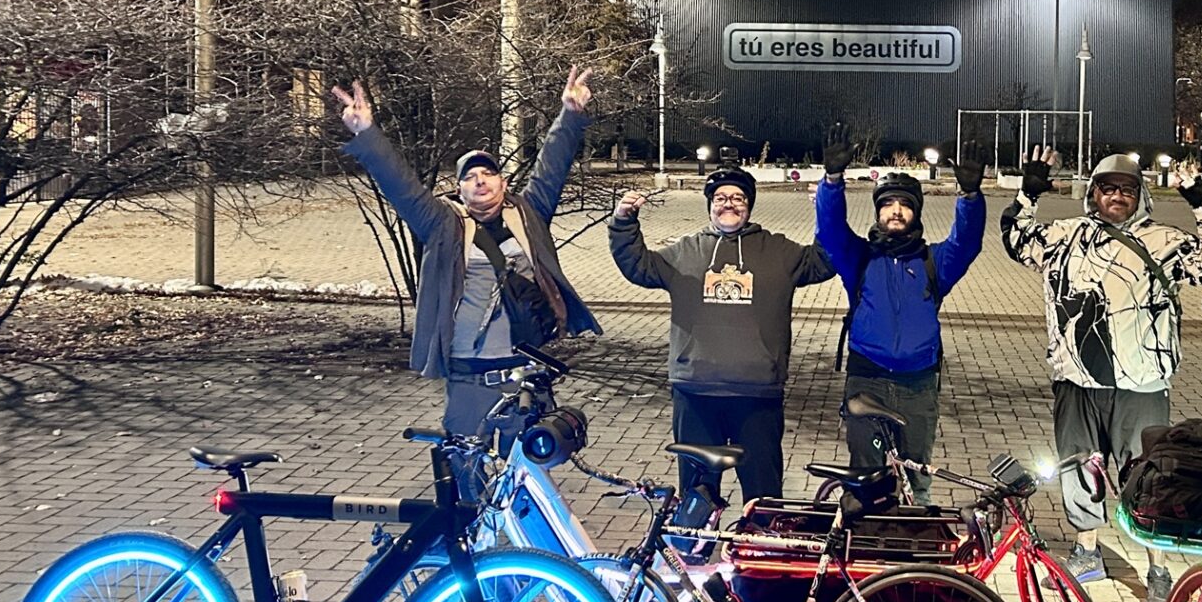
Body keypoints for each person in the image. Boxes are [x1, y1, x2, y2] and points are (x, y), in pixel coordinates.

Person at [330, 67, 603, 493]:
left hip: (524, 370)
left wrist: (569, 115)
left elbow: (552, 168)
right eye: (470, 178)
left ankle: (523, 552)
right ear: (459, 191)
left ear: (503, 182)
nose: (480, 182)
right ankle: (472, 551)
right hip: (469, 373)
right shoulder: (444, 226)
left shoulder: (528, 216)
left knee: (528, 475)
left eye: (487, 174)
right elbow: (401, 188)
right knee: (466, 472)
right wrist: (367, 134)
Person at [1002, 146, 1202, 602]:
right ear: (1092, 194)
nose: (1117, 197)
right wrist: (1029, 191)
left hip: (1143, 383)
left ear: (1141, 196)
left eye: (1127, 190)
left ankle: (1157, 568)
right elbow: (1015, 240)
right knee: (1078, 469)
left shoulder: (1165, 241)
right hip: (1076, 379)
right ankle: (1087, 551)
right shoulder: (1064, 236)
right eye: (1107, 189)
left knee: (1149, 476)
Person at [610, 167, 835, 513]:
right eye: (720, 198)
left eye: (738, 198)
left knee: (764, 494)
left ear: (749, 206)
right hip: (695, 391)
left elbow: (823, 261)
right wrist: (624, 222)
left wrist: (828, 213)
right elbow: (639, 266)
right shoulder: (685, 251)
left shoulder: (777, 251)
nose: (729, 205)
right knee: (696, 493)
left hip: (757, 393)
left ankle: (761, 560)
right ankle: (690, 556)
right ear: (710, 205)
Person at [814, 141, 986, 503]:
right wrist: (831, 181)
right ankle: (862, 545)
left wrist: (970, 197)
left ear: (916, 213)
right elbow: (830, 231)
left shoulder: (932, 261)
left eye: (905, 204)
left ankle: (910, 545)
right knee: (865, 474)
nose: (896, 211)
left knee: (916, 473)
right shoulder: (859, 258)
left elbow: (966, 243)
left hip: (918, 384)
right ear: (877, 212)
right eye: (888, 204)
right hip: (867, 378)